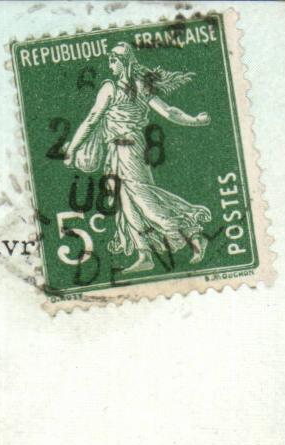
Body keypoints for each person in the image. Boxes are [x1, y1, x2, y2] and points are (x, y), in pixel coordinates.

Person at [64, 42, 213, 274]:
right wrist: (194, 120)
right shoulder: (132, 87)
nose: (110, 66)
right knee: (126, 205)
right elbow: (168, 112)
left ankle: (194, 236)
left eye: (113, 61)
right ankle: (145, 255)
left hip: (129, 150)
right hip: (116, 151)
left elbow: (93, 119)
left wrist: (72, 149)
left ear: (123, 62)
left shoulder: (117, 88)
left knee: (144, 200)